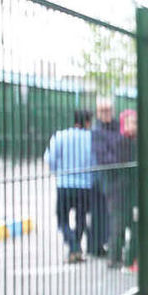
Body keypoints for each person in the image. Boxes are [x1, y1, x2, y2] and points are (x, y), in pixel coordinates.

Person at [45, 109, 93, 264]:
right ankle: (76, 248)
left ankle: (73, 246)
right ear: (87, 122)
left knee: (62, 219)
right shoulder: (91, 138)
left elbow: (49, 158)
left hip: (64, 184)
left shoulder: (60, 136)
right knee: (81, 219)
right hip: (85, 186)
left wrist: (58, 172)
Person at [107, 108, 139, 270]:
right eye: (133, 122)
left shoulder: (138, 142)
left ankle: (129, 258)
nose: (136, 126)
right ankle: (114, 258)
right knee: (117, 227)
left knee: (134, 226)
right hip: (120, 193)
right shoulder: (119, 142)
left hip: (133, 192)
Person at [89, 97, 120, 257]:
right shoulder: (97, 130)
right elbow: (102, 156)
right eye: (103, 111)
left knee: (112, 214)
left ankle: (109, 245)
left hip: (117, 178)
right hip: (102, 178)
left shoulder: (117, 127)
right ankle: (97, 246)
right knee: (99, 214)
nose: (106, 113)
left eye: (108, 110)